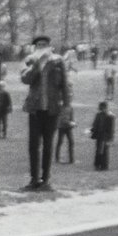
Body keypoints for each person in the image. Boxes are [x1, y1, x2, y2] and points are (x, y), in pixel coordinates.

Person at [19, 34, 72, 191]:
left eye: (44, 44)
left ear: (49, 46)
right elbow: (25, 79)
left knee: (48, 144)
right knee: (33, 145)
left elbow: (65, 84)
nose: (41, 47)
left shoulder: (58, 61)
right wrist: (36, 66)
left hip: (52, 109)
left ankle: (45, 180)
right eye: (39, 45)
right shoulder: (30, 60)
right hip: (35, 109)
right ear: (35, 47)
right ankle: (33, 179)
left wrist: (66, 107)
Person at [89, 101, 115, 170]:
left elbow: (111, 129)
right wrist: (92, 130)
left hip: (105, 136)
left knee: (103, 151)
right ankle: (99, 165)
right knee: (99, 151)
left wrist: (110, 139)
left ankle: (103, 166)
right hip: (100, 135)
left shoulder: (110, 116)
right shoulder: (100, 115)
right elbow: (95, 125)